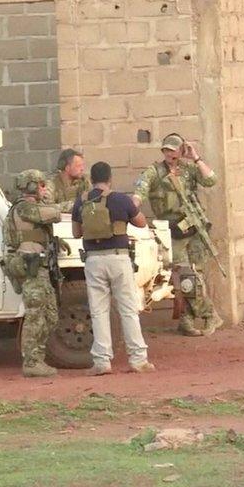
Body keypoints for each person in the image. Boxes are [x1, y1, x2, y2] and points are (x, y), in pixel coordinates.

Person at [132, 133, 223, 337]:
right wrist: (132, 206)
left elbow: (211, 180)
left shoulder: (189, 169)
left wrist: (196, 158)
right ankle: (210, 315)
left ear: (181, 151)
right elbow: (140, 191)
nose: (169, 153)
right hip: (172, 231)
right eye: (166, 149)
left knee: (195, 276)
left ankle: (187, 319)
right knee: (184, 277)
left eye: (174, 150)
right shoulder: (154, 172)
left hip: (193, 228)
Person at [72, 161, 154, 376]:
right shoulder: (120, 199)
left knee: (99, 312)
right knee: (128, 309)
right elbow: (141, 223)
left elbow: (76, 233)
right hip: (119, 259)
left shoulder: (81, 201)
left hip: (93, 261)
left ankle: (102, 361)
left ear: (91, 180)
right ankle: (138, 359)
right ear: (110, 179)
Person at [2, 169, 62, 378]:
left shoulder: (30, 208)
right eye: (41, 185)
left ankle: (38, 357)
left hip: (40, 266)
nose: (44, 189)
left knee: (50, 315)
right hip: (30, 267)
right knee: (35, 314)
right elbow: (53, 214)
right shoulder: (24, 208)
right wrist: (60, 204)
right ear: (31, 186)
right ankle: (31, 362)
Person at [44, 148, 90, 212]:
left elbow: (89, 205)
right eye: (78, 166)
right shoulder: (51, 183)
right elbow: (47, 208)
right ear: (67, 168)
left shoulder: (84, 182)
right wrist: (72, 206)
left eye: (82, 165)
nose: (82, 169)